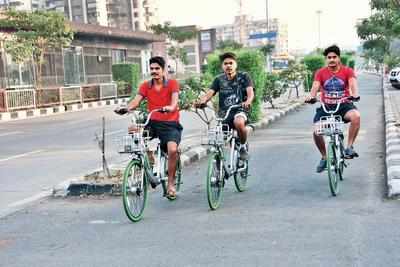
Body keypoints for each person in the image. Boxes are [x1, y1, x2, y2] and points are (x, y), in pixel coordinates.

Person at [116, 56, 182, 199]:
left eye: (157, 68)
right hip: (152, 124)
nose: (154, 71)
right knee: (133, 130)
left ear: (163, 70)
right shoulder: (146, 86)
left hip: (170, 124)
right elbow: (136, 101)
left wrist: (170, 108)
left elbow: (175, 102)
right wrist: (126, 108)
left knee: (172, 150)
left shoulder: (172, 84)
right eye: (151, 69)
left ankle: (171, 183)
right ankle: (149, 156)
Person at [305, 45, 361, 173]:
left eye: (334, 57)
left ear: (339, 58)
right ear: (326, 59)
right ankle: (324, 157)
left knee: (356, 116)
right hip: (326, 106)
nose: (331, 60)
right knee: (316, 131)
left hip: (344, 105)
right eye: (329, 57)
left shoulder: (347, 71)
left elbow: (353, 84)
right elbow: (315, 86)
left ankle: (349, 147)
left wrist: (355, 94)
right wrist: (311, 96)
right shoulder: (321, 73)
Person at [195, 52, 254, 160]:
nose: (228, 66)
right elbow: (210, 93)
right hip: (224, 113)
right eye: (225, 63)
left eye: (231, 63)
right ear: (222, 66)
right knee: (217, 137)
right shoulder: (219, 79)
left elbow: (250, 92)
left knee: (239, 123)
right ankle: (218, 166)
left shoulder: (244, 76)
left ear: (235, 64)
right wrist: (201, 101)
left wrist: (248, 101)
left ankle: (242, 146)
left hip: (239, 109)